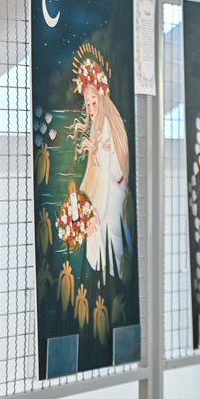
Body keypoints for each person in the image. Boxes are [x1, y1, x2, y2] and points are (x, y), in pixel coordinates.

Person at [69, 46, 130, 275]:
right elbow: (93, 172)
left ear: (102, 99)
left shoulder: (106, 128)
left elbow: (106, 176)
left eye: (94, 102)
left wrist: (95, 213)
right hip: (105, 196)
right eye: (88, 104)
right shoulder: (97, 128)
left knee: (109, 251)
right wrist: (81, 200)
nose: (91, 109)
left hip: (111, 198)